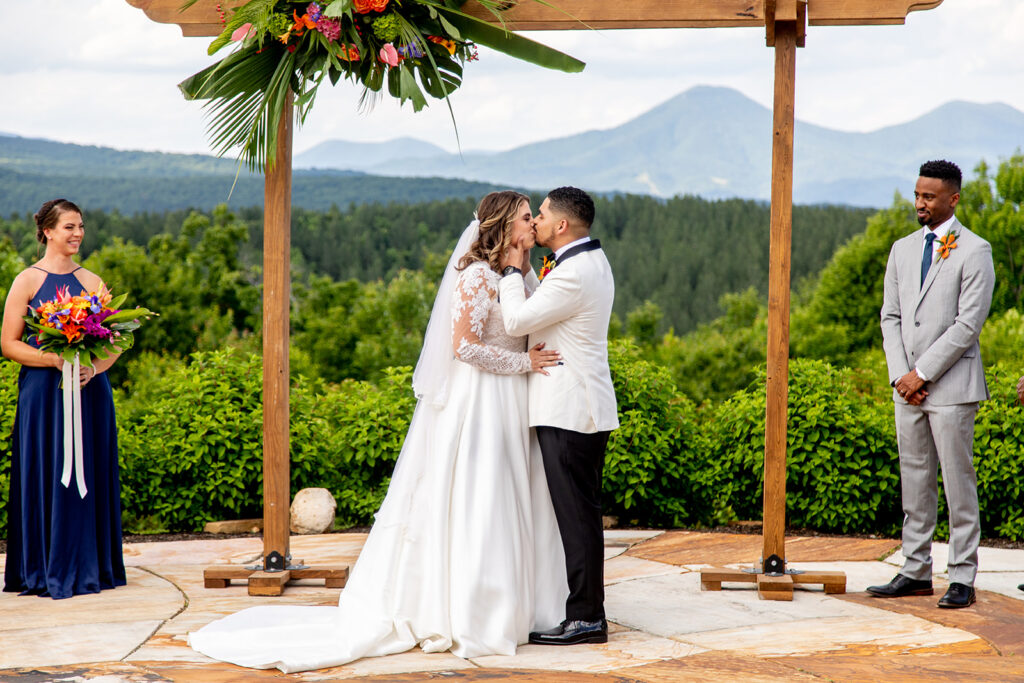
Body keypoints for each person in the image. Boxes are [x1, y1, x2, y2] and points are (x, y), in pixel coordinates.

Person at [188, 191, 568, 672]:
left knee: (511, 498)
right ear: (501, 225)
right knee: (482, 498)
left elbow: (529, 318)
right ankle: (473, 612)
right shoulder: (474, 275)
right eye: (525, 216)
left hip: (511, 402)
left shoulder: (517, 274)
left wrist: (526, 275)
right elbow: (464, 348)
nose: (533, 222)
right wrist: (524, 363)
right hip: (481, 402)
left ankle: (517, 605)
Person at [869, 160, 995, 609]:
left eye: (929, 197)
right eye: (917, 195)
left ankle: (962, 577)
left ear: (953, 199)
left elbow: (968, 325)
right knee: (915, 480)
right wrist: (900, 377)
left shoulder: (975, 250)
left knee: (958, 483)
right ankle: (915, 570)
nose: (920, 203)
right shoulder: (901, 249)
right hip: (908, 390)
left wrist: (920, 374)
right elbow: (891, 316)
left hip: (952, 387)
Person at [498, 186, 619, 645]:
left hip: (570, 411)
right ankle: (586, 611)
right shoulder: (584, 262)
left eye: (543, 214)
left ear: (562, 225)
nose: (537, 221)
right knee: (579, 514)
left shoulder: (574, 273)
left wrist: (511, 270)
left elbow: (516, 322)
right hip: (576, 409)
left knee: (577, 516)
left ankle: (587, 617)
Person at [1, 199, 126, 599]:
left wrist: (95, 368)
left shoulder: (92, 282)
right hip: (43, 394)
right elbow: (8, 344)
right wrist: (52, 358)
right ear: (48, 231)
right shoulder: (26, 282)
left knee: (90, 468)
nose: (77, 234)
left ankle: (93, 565)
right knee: (46, 470)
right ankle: (41, 567)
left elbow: (115, 340)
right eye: (69, 227)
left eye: (81, 226)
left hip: (89, 394)